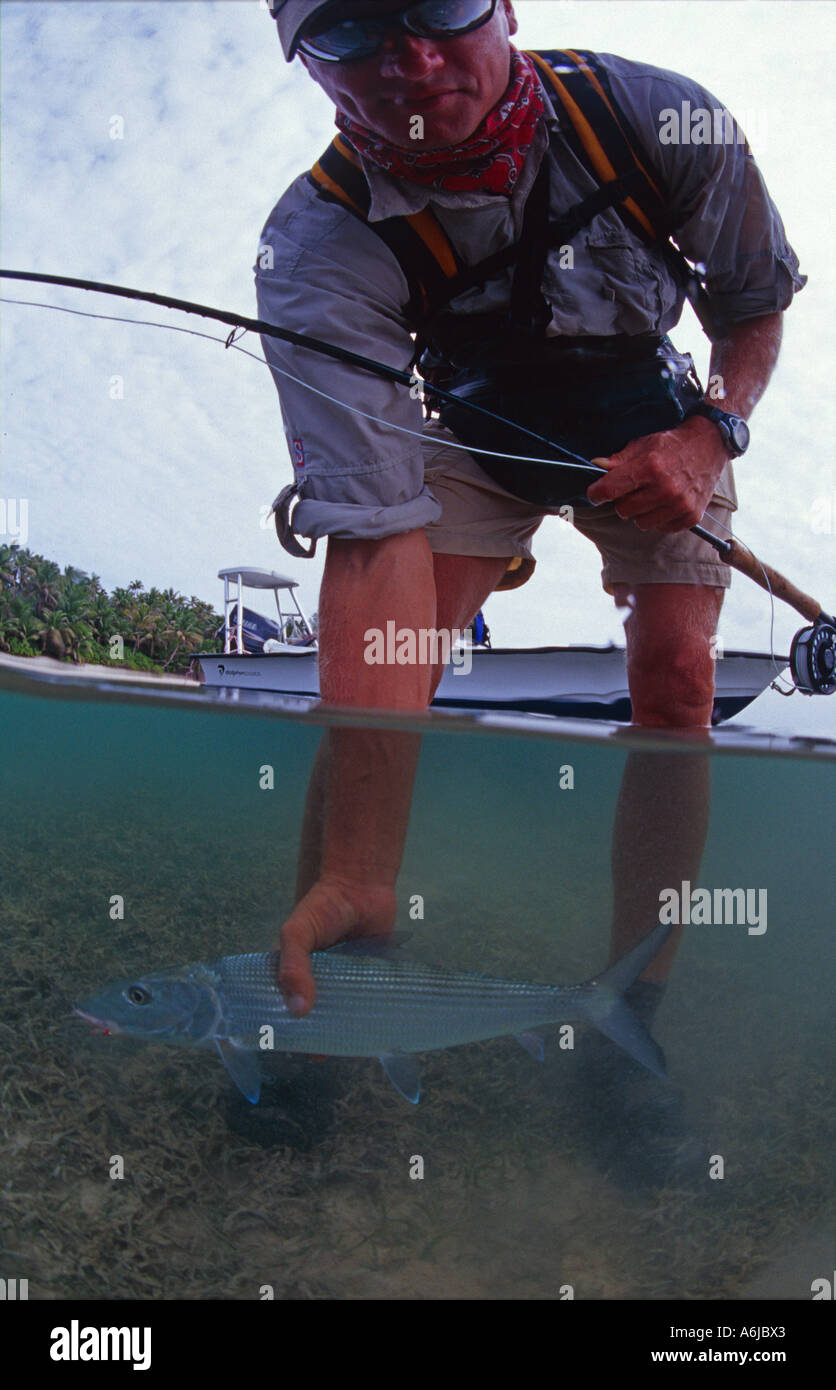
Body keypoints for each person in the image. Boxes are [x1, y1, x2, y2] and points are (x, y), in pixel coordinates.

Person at [256, 1, 804, 1025]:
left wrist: (707, 434)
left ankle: (630, 1008)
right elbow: (372, 527)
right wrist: (362, 868)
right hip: (475, 432)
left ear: (504, 7)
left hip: (659, 416)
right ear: (303, 62)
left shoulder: (658, 118)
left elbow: (751, 303)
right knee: (397, 655)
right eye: (347, 30)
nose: (409, 59)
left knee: (679, 678)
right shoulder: (316, 247)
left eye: (441, 6)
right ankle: (342, 939)